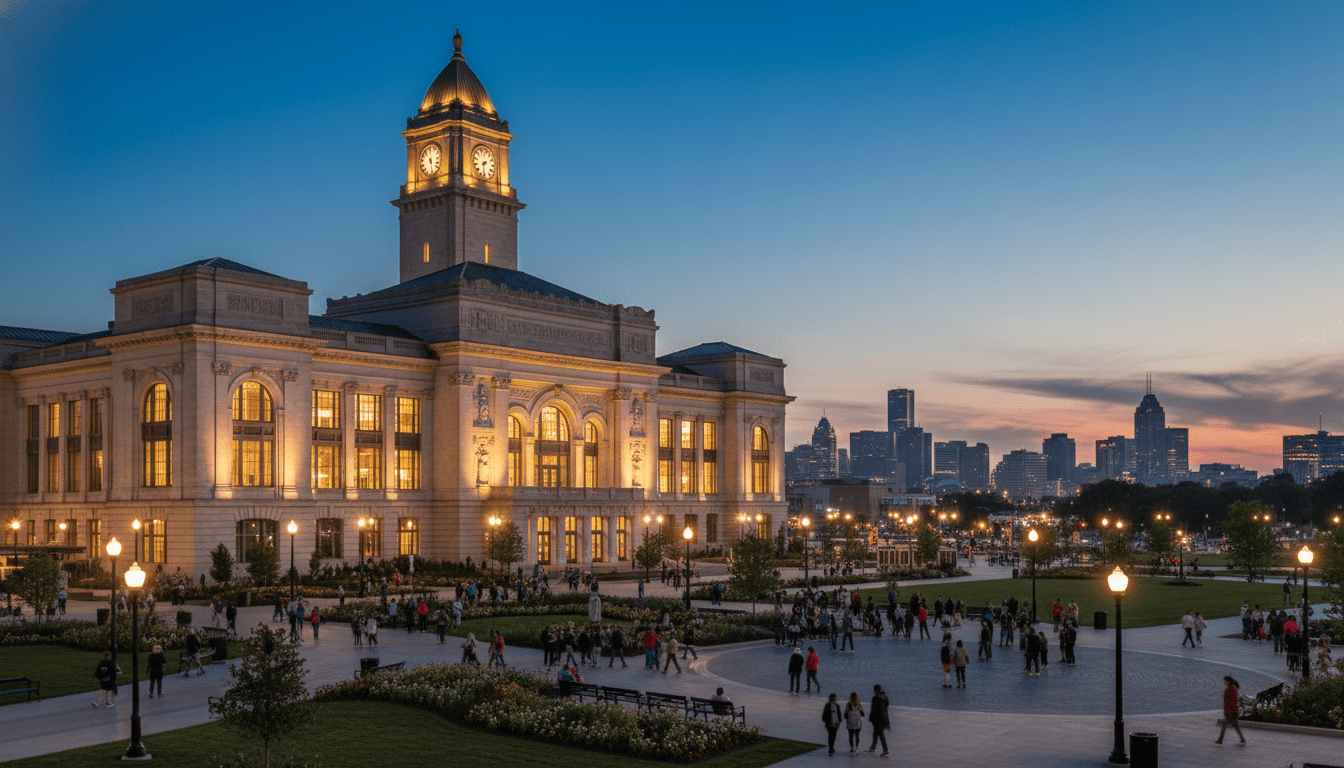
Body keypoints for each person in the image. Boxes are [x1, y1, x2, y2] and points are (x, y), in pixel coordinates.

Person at [1215, 676, 1246, 746]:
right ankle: (1242, 739)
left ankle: (1220, 740)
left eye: (1225, 681)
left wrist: (1227, 712)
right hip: (1232, 710)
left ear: (1228, 681)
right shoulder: (1233, 689)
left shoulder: (1230, 690)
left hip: (1230, 711)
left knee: (1226, 725)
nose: (1224, 683)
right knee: (1235, 726)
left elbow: (1230, 702)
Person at [867, 684, 890, 756]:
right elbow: (886, 708)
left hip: (877, 719)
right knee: (875, 733)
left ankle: (885, 749)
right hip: (884, 718)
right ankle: (873, 747)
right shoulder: (885, 697)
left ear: (875, 690)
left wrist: (871, 718)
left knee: (880, 734)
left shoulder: (875, 698)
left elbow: (873, 709)